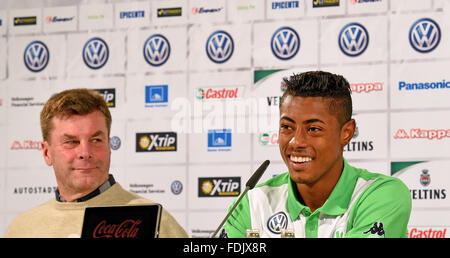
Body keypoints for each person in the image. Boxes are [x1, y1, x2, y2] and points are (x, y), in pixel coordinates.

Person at [223, 71, 412, 238]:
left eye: (313, 129)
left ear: (346, 132)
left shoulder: (380, 195)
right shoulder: (251, 202)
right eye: (287, 127)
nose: (296, 142)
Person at [5, 88, 188, 238]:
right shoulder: (21, 229)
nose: (85, 153)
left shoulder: (154, 222)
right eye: (71, 142)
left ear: (109, 145)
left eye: (96, 140)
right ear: (47, 153)